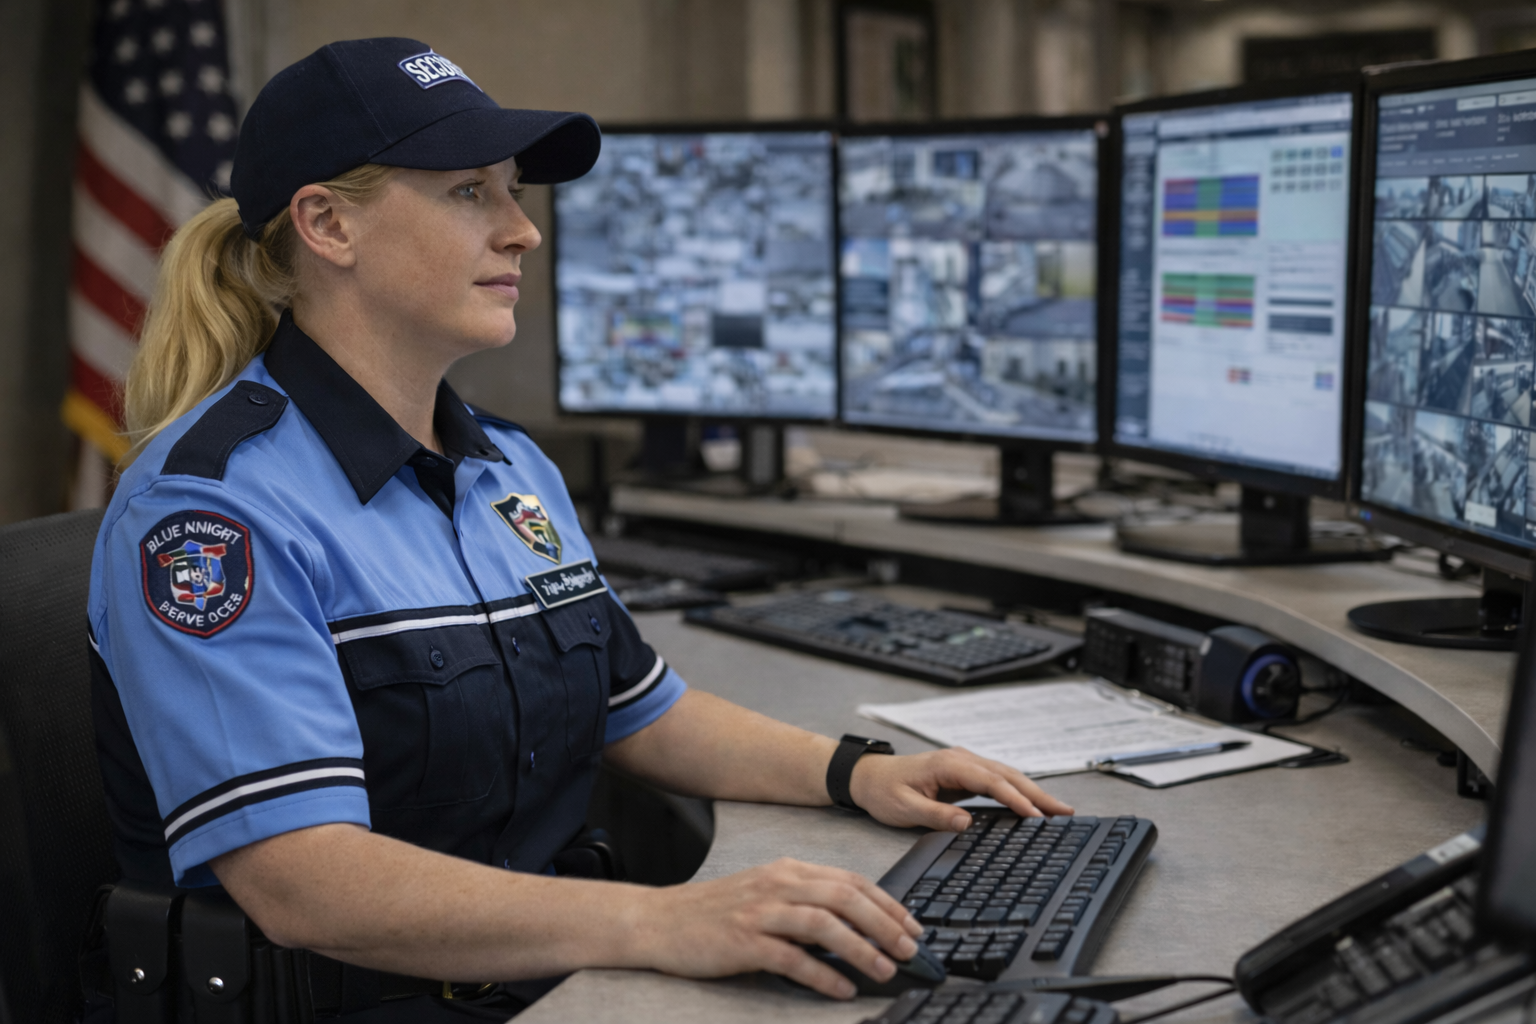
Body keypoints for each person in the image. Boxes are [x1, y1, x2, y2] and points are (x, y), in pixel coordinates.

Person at [88, 37, 1073, 1020]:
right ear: (327, 225)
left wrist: (858, 771)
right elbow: (305, 880)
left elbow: (637, 706)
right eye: (471, 192)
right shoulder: (211, 514)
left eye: (514, 191)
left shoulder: (512, 468)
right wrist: (663, 922)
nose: (524, 231)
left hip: (549, 980)